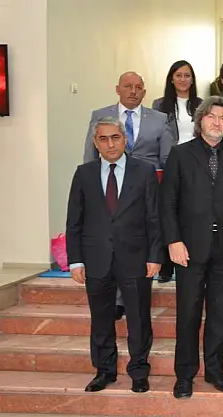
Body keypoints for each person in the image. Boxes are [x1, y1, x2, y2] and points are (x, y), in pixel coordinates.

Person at [161, 96, 223, 398]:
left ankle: (215, 370)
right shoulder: (180, 154)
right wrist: (173, 241)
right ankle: (184, 375)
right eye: (212, 117)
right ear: (200, 120)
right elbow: (168, 202)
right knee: (188, 313)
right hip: (188, 248)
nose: (217, 122)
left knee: (219, 313)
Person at [66, 116, 161, 394]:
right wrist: (75, 260)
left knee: (138, 318)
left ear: (125, 139)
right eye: (103, 139)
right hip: (96, 259)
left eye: (115, 137)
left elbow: (154, 218)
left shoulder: (144, 171)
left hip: (135, 257)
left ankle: (139, 371)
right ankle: (104, 371)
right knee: (101, 319)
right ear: (95, 143)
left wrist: (155, 256)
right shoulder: (84, 174)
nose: (110, 144)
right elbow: (74, 221)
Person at [83, 71, 173, 319]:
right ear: (117, 89)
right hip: (110, 187)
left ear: (144, 91)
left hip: (144, 190)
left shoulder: (159, 119)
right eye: (127, 86)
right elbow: (90, 156)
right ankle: (116, 300)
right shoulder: (100, 115)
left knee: (137, 245)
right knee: (112, 243)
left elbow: (167, 159)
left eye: (138, 87)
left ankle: (132, 298)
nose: (133, 91)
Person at [152, 60, 203, 284]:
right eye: (179, 75)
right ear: (171, 79)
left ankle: (191, 257)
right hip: (171, 163)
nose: (183, 79)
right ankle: (166, 264)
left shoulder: (201, 104)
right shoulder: (159, 105)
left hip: (197, 164)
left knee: (190, 211)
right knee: (170, 211)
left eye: (187, 75)